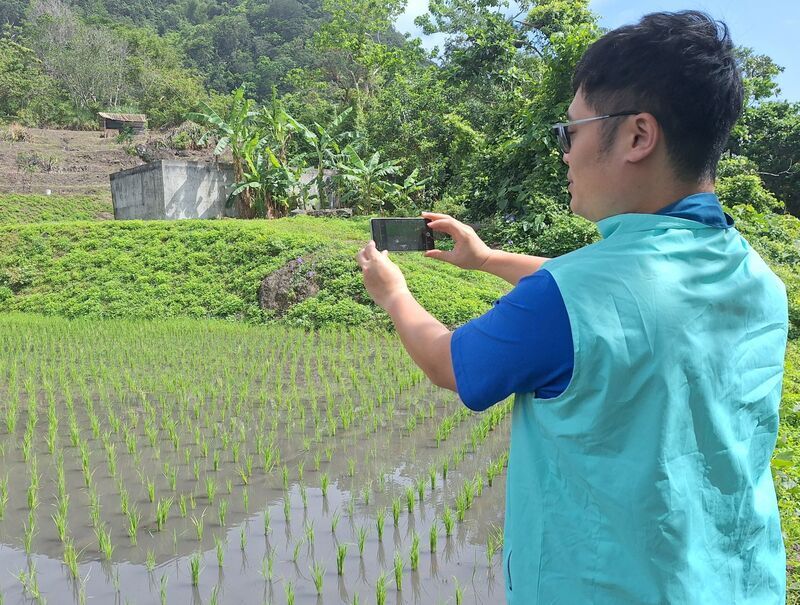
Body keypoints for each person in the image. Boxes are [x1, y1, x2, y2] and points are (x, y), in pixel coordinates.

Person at [356, 10, 789, 605]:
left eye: (571, 132)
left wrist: (392, 291)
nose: (564, 153)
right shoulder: (756, 277)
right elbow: (628, 299)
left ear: (638, 136)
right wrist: (486, 259)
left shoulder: (569, 298)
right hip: (738, 584)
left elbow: (449, 363)